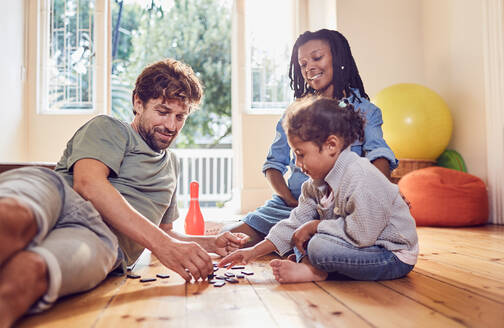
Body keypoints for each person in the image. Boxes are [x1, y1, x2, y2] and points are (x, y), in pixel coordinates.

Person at [0, 58, 247, 327]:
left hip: (101, 240)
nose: (171, 126)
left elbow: (163, 232)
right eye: (163, 112)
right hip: (59, 196)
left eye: (180, 117)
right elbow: (89, 185)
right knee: (12, 221)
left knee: (30, 274)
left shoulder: (172, 166)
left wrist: (210, 244)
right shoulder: (109, 127)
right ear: (137, 103)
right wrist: (163, 245)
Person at [227, 29, 398, 246]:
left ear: (338, 58)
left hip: (342, 205)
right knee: (231, 238)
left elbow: (379, 155)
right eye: (303, 64)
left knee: (331, 239)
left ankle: (308, 242)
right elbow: (273, 165)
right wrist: (290, 200)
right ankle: (297, 241)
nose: (309, 68)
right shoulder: (295, 113)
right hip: (295, 205)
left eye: (317, 58)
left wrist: (378, 196)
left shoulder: (365, 111)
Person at [219, 97, 418, 283]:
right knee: (301, 236)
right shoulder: (314, 185)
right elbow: (294, 223)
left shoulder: (361, 177)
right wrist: (252, 252)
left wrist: (315, 226)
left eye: (301, 154)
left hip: (390, 254)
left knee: (317, 246)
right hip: (358, 244)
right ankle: (311, 264)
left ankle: (315, 270)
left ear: (331, 145)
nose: (297, 164)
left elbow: (362, 234)